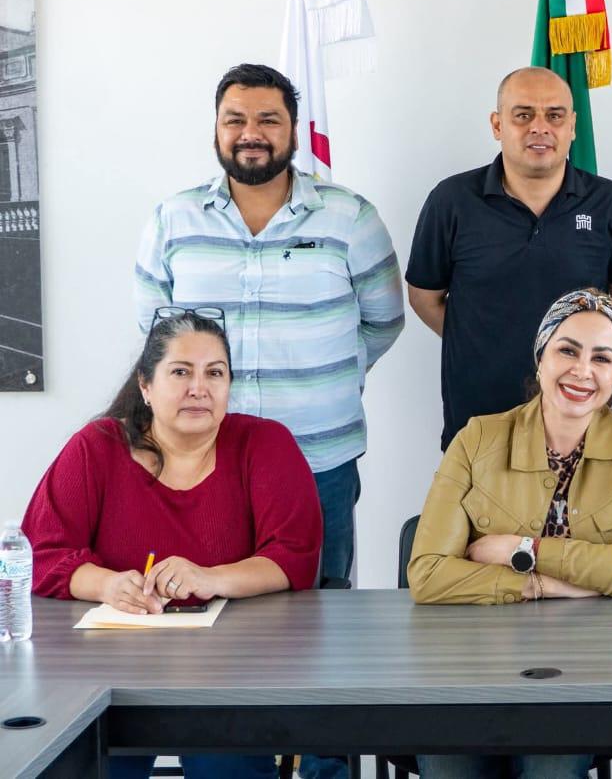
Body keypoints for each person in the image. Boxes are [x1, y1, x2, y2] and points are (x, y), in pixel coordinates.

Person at [134, 63, 404, 593]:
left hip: (319, 460)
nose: (250, 133)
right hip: (200, 460)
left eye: (268, 120)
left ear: (294, 132)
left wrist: (322, 375)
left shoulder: (350, 217)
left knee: (322, 606)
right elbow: (156, 338)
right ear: (216, 130)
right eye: (235, 120)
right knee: (198, 601)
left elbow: (384, 321)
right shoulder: (174, 220)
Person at [23, 308, 322, 779]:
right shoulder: (96, 446)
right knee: (94, 765)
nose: (199, 388)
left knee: (225, 769)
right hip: (107, 668)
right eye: (181, 372)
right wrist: (107, 585)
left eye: (215, 373)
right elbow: (42, 551)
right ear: (146, 385)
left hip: (232, 667)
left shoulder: (265, 443)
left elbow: (294, 554)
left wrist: (211, 577)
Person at [408, 288, 612, 779]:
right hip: (471, 660)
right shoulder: (477, 437)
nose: (582, 371)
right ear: (541, 356)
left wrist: (521, 548)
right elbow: (427, 575)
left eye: (602, 357)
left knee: (552, 767)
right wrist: (540, 584)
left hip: (584, 665)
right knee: (449, 766)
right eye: (567, 350)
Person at [405, 66, 612, 454]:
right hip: (477, 422)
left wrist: (573, 356)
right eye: (523, 115)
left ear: (573, 126)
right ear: (497, 124)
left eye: (554, 115)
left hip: (579, 420)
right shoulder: (451, 201)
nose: (540, 127)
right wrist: (482, 340)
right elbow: (424, 297)